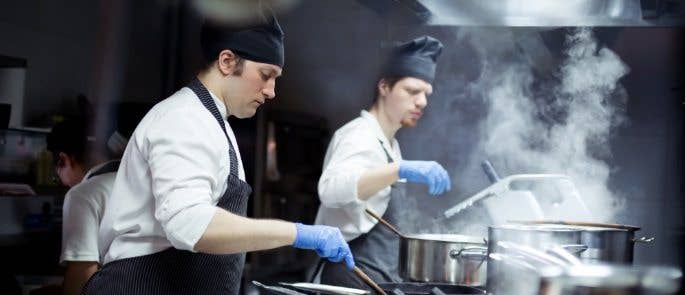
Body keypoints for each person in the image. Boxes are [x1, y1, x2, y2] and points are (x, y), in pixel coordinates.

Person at [82, 9, 353, 295]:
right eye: (265, 75)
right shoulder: (184, 118)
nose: (272, 91)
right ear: (227, 61)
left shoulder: (214, 123)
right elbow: (190, 224)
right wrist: (296, 233)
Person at [316, 36, 451, 289]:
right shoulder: (359, 135)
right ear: (384, 87)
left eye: (426, 93)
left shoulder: (389, 144)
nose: (422, 101)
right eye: (412, 91)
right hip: (352, 278)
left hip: (377, 279)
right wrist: (399, 169)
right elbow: (330, 189)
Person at [46, 117, 122, 295]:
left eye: (56, 175)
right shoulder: (141, 178)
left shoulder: (83, 194)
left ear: (64, 159)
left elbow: (82, 277)